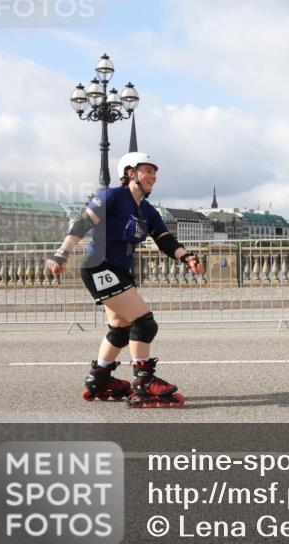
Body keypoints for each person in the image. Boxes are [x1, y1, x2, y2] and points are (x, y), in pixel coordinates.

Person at [46, 152, 204, 408]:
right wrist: (61, 253)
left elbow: (164, 238)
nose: (153, 175)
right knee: (144, 322)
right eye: (147, 170)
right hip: (99, 266)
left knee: (121, 330)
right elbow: (82, 224)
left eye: (155, 172)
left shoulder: (147, 210)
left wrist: (187, 257)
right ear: (131, 173)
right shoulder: (112, 196)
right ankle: (143, 382)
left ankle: (99, 378)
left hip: (119, 269)